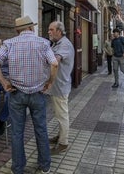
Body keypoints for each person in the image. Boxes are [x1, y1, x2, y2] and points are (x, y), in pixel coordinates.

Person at [0, 15, 58, 174]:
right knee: (41, 130)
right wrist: (50, 82)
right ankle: (45, 166)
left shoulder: (9, 43)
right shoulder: (43, 43)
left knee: (17, 132)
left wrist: (4, 82)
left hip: (16, 94)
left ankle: (18, 168)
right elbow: (54, 64)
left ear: (18, 30)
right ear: (31, 28)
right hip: (38, 93)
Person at [46, 21, 74, 155]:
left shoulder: (64, 44)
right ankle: (60, 135)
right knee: (59, 114)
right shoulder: (56, 43)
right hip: (57, 86)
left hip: (59, 86)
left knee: (62, 115)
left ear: (59, 31)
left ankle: (63, 143)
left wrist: (50, 81)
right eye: (49, 30)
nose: (49, 32)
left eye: (51, 29)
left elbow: (55, 61)